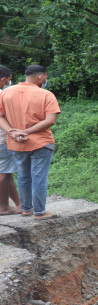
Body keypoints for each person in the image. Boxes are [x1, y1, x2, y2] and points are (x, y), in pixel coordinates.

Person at [0, 65, 60, 220]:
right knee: (39, 177)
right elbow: (50, 120)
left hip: (16, 143)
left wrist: (13, 132)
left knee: (23, 176)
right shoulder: (46, 95)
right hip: (41, 143)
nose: (45, 80)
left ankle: (26, 209)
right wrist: (27, 131)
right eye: (45, 77)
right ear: (41, 76)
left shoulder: (6, 93)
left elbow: (0, 116)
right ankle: (39, 212)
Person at [0, 66, 21, 216]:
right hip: (2, 139)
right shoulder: (2, 95)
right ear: (3, 80)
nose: (9, 82)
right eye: (9, 79)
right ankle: (3, 207)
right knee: (3, 173)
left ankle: (19, 203)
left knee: (8, 172)